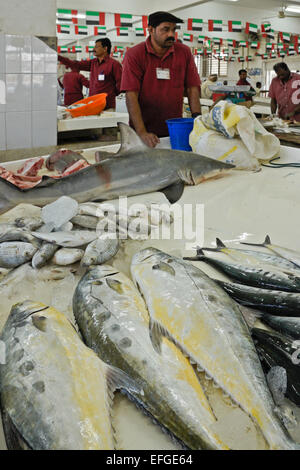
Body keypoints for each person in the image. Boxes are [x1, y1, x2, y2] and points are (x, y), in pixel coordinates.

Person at [121, 11, 201, 147]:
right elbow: (131, 95)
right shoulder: (135, 55)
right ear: (151, 30)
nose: (171, 34)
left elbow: (192, 87)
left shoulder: (184, 53)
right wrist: (141, 132)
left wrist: (198, 121)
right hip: (143, 131)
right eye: (165, 29)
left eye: (173, 30)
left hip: (174, 129)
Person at [57, 38, 122, 110]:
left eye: (97, 47)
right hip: (92, 104)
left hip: (107, 105)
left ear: (105, 48)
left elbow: (121, 83)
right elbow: (76, 64)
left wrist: (111, 94)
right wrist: (59, 57)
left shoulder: (114, 64)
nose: (94, 49)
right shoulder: (93, 63)